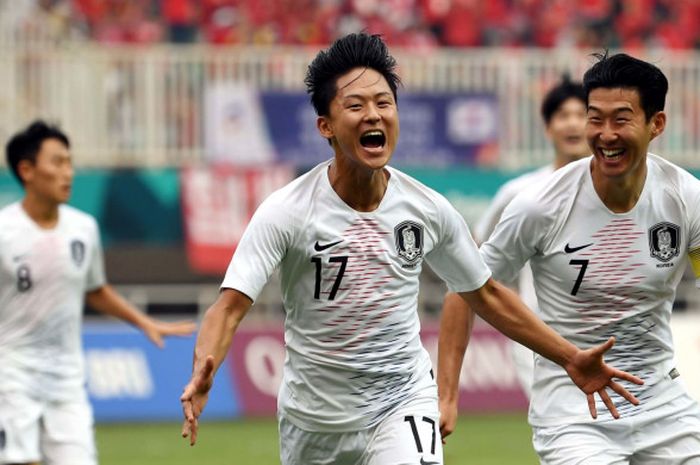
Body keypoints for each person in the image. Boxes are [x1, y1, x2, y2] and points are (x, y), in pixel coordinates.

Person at [180, 34, 641, 465]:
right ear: (325, 125)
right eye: (355, 106)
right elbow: (230, 306)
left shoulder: (427, 209)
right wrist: (207, 364)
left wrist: (570, 357)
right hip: (312, 421)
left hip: (402, 400)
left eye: (384, 103)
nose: (374, 115)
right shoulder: (286, 211)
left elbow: (486, 293)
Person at [438, 51, 700, 464]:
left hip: (663, 405)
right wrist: (447, 397)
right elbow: (468, 287)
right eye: (595, 118)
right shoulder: (539, 205)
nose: (604, 133)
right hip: (573, 410)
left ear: (657, 124)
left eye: (621, 119)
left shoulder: (685, 198)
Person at [0, 120, 196, 465]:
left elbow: (94, 289)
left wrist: (143, 322)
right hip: (12, 376)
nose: (68, 172)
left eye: (69, 162)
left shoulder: (83, 229)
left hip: (66, 382)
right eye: (57, 162)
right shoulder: (5, 231)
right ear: (27, 170)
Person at [462, 76, 590, 401]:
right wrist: (512, 307)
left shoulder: (620, 192)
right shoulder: (520, 193)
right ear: (548, 128)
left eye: (582, 114)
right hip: (538, 340)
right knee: (560, 439)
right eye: (563, 115)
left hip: (604, 333)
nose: (573, 123)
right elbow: (477, 259)